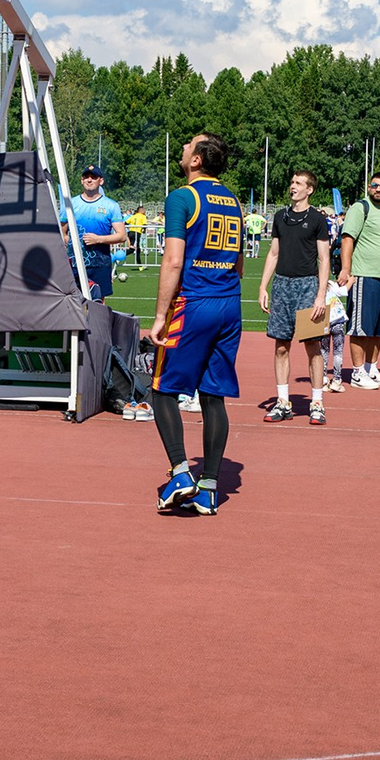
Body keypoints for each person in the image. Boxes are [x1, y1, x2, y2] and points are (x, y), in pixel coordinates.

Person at [150, 133, 246, 517]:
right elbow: (239, 263)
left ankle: (179, 473)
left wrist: (160, 316)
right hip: (229, 303)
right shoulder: (235, 202)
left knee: (162, 390)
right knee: (212, 395)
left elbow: (173, 261)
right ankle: (208, 486)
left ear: (196, 161)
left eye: (190, 145)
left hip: (194, 303)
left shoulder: (182, 197)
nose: (184, 149)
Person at [257, 170, 332, 423]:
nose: (293, 187)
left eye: (299, 183)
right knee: (281, 347)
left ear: (309, 189)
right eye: (292, 182)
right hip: (282, 286)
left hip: (308, 286)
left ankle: (317, 402)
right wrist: (263, 286)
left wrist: (320, 296)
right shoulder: (280, 217)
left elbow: (324, 259)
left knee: (313, 347)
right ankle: (282, 402)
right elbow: (273, 254)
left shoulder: (318, 220)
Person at [337, 171, 380, 389]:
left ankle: (371, 369)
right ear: (369, 187)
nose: (378, 189)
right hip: (364, 275)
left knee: (378, 328)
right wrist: (346, 269)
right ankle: (357, 373)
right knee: (360, 327)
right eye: (375, 185)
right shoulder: (360, 208)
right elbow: (348, 238)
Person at [69, 167, 128, 302]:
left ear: (101, 181)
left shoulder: (111, 206)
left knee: (97, 302)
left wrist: (98, 239)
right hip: (74, 264)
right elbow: (62, 231)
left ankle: (97, 324)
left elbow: (122, 236)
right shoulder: (71, 203)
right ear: (81, 180)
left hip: (100, 263)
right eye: (86, 177)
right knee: (72, 302)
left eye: (93, 177)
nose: (89, 180)